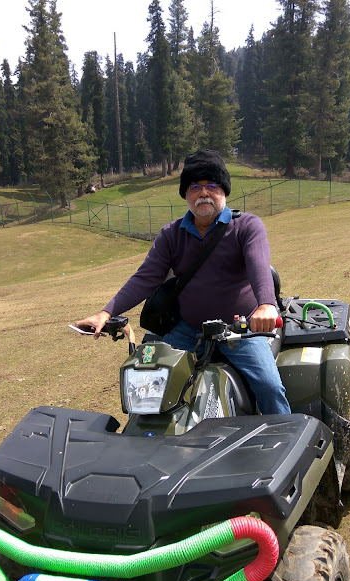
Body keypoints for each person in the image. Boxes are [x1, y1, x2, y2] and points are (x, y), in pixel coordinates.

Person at [76, 149, 291, 415]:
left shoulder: (247, 226)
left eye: (212, 186)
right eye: (195, 187)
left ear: (224, 191)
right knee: (148, 383)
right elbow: (146, 277)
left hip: (241, 330)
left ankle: (283, 438)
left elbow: (259, 264)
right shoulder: (171, 234)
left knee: (269, 387)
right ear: (185, 194)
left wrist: (266, 305)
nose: (204, 193)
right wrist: (107, 312)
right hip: (189, 331)